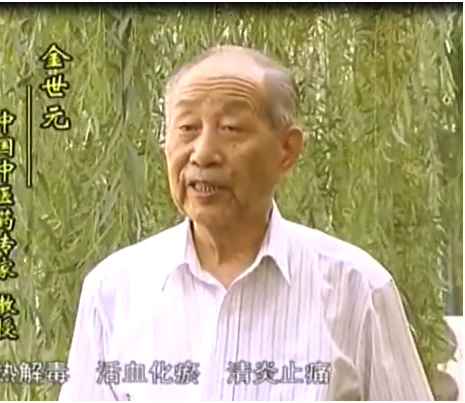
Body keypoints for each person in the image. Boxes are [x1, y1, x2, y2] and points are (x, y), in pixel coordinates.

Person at [59, 45, 434, 401]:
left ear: (286, 150)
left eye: (230, 129)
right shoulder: (112, 291)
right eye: (187, 128)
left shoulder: (356, 288)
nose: (203, 153)